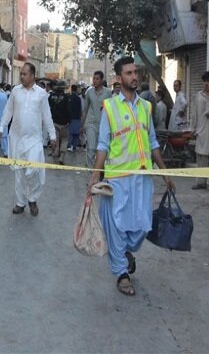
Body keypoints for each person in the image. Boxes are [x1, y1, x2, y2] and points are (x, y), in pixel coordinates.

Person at [88, 56, 174, 297]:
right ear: (119, 78)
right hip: (117, 180)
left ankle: (125, 252)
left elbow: (153, 141)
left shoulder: (147, 107)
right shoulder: (110, 107)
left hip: (142, 179)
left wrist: (165, 172)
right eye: (128, 73)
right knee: (115, 227)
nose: (134, 77)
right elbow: (103, 145)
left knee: (141, 226)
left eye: (135, 72)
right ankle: (121, 274)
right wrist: (96, 175)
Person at [0, 62, 56, 216]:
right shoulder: (16, 91)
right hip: (17, 138)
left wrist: (53, 135)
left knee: (34, 172)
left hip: (34, 140)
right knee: (19, 173)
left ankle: (33, 199)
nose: (21, 76)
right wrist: (0, 128)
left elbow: (47, 116)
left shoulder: (41, 93)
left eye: (24, 74)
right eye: (21, 74)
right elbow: (8, 111)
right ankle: (20, 203)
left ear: (32, 76)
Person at [81, 71, 112, 168]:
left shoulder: (108, 93)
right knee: (91, 148)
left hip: (104, 124)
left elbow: (111, 109)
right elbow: (85, 109)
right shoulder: (89, 92)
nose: (95, 81)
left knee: (102, 149)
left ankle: (100, 172)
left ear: (102, 80)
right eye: (94, 78)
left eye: (97, 79)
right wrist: (82, 126)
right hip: (91, 123)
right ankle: (91, 174)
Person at [48, 80, 71, 165]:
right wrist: (69, 120)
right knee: (64, 139)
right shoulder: (66, 97)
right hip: (64, 122)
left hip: (54, 121)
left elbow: (48, 108)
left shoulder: (51, 96)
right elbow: (68, 110)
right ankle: (61, 156)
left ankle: (55, 152)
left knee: (56, 138)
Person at [68, 84, 82, 152]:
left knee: (70, 133)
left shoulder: (69, 97)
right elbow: (80, 108)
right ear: (76, 90)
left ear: (71, 89)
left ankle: (70, 145)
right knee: (76, 133)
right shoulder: (78, 98)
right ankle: (74, 146)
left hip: (70, 117)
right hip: (77, 117)